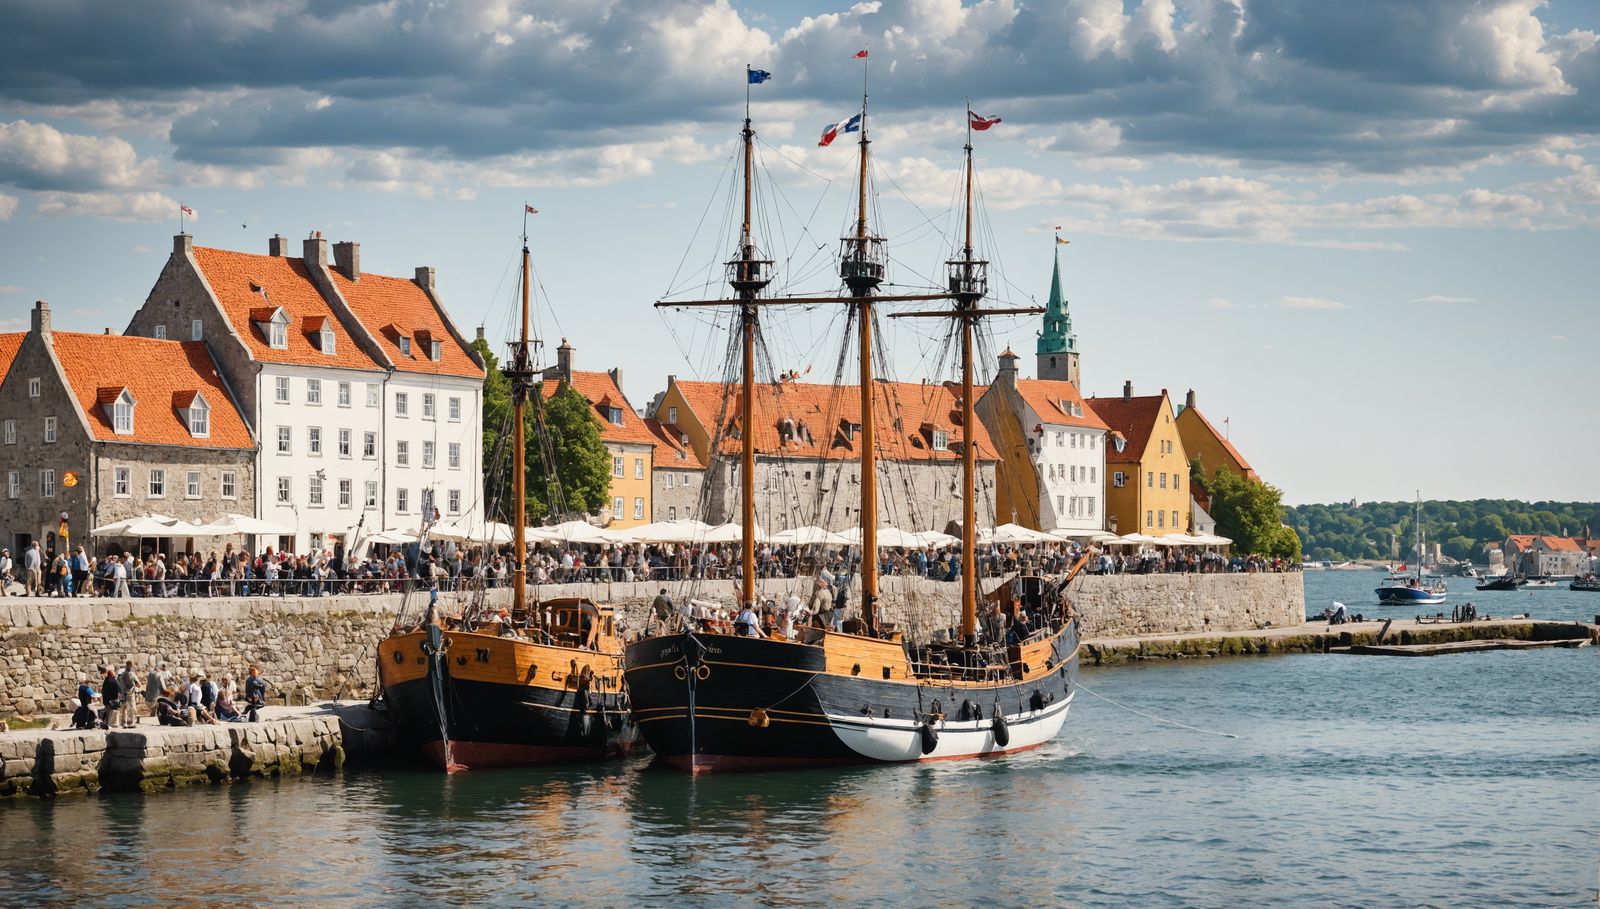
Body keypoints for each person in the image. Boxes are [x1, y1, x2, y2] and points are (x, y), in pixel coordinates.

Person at [117, 660, 140, 728]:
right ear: (131, 666)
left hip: (123, 693)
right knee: (132, 708)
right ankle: (131, 723)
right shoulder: (132, 674)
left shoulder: (122, 675)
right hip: (131, 693)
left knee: (124, 708)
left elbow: (120, 684)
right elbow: (138, 685)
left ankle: (124, 723)